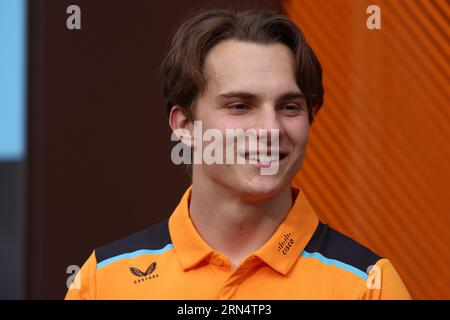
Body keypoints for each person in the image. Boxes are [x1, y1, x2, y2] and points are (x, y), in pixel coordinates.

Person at [66, 8, 411, 300]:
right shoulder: (104, 280)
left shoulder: (367, 285)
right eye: (240, 105)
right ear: (185, 125)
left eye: (289, 106)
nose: (270, 129)